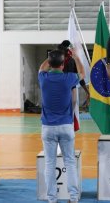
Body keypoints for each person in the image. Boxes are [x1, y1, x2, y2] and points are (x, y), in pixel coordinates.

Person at [38, 48, 85, 203]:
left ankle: (52, 199)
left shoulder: (43, 77)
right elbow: (83, 74)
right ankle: (73, 197)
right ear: (63, 64)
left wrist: (52, 55)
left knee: (50, 164)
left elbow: (41, 68)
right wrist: (76, 57)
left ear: (50, 64)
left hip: (48, 128)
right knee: (70, 162)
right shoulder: (69, 78)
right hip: (66, 126)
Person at [58, 40, 90, 109]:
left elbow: (80, 77)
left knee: (73, 104)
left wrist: (87, 91)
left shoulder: (72, 60)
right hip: (60, 86)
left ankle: (70, 118)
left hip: (72, 86)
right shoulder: (58, 61)